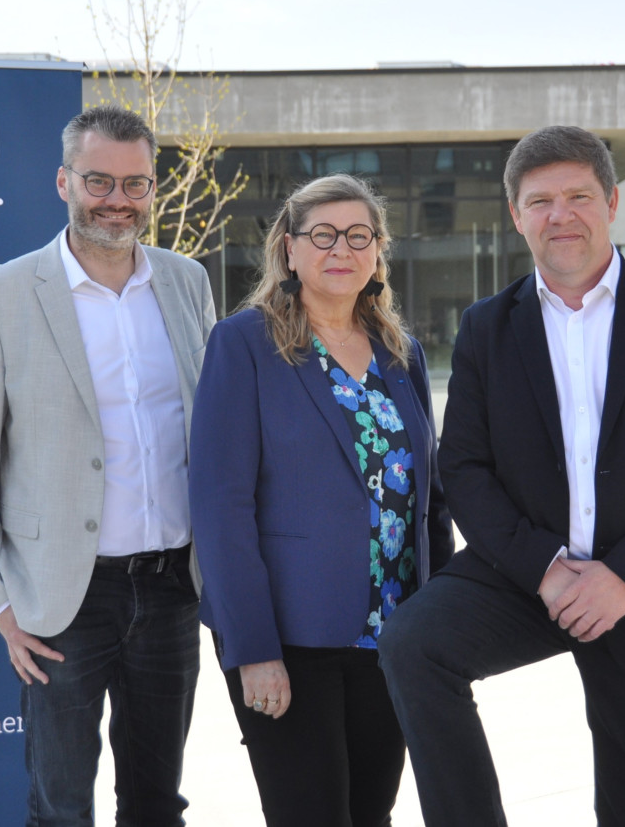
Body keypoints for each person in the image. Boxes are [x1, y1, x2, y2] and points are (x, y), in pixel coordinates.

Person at [378, 125, 625, 826]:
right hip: (527, 575)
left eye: (578, 195)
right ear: (516, 216)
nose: (560, 215)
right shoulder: (487, 326)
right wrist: (546, 569)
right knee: (414, 643)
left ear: (611, 200)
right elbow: (464, 464)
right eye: (540, 200)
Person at [0, 105, 215, 827]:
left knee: (158, 802)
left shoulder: (187, 283)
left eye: (135, 183)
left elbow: (212, 434)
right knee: (61, 807)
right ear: (64, 181)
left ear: (153, 188)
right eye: (99, 180)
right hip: (60, 599)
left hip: (171, 588)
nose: (117, 200)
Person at [189, 174, 453, 827]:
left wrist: (442, 624)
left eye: (359, 235)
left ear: (377, 251)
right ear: (290, 247)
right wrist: (253, 648)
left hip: (394, 635)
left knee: (372, 813)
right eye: (324, 234)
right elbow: (221, 507)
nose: (342, 249)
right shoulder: (244, 343)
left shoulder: (401, 353)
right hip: (289, 638)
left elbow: (430, 499)